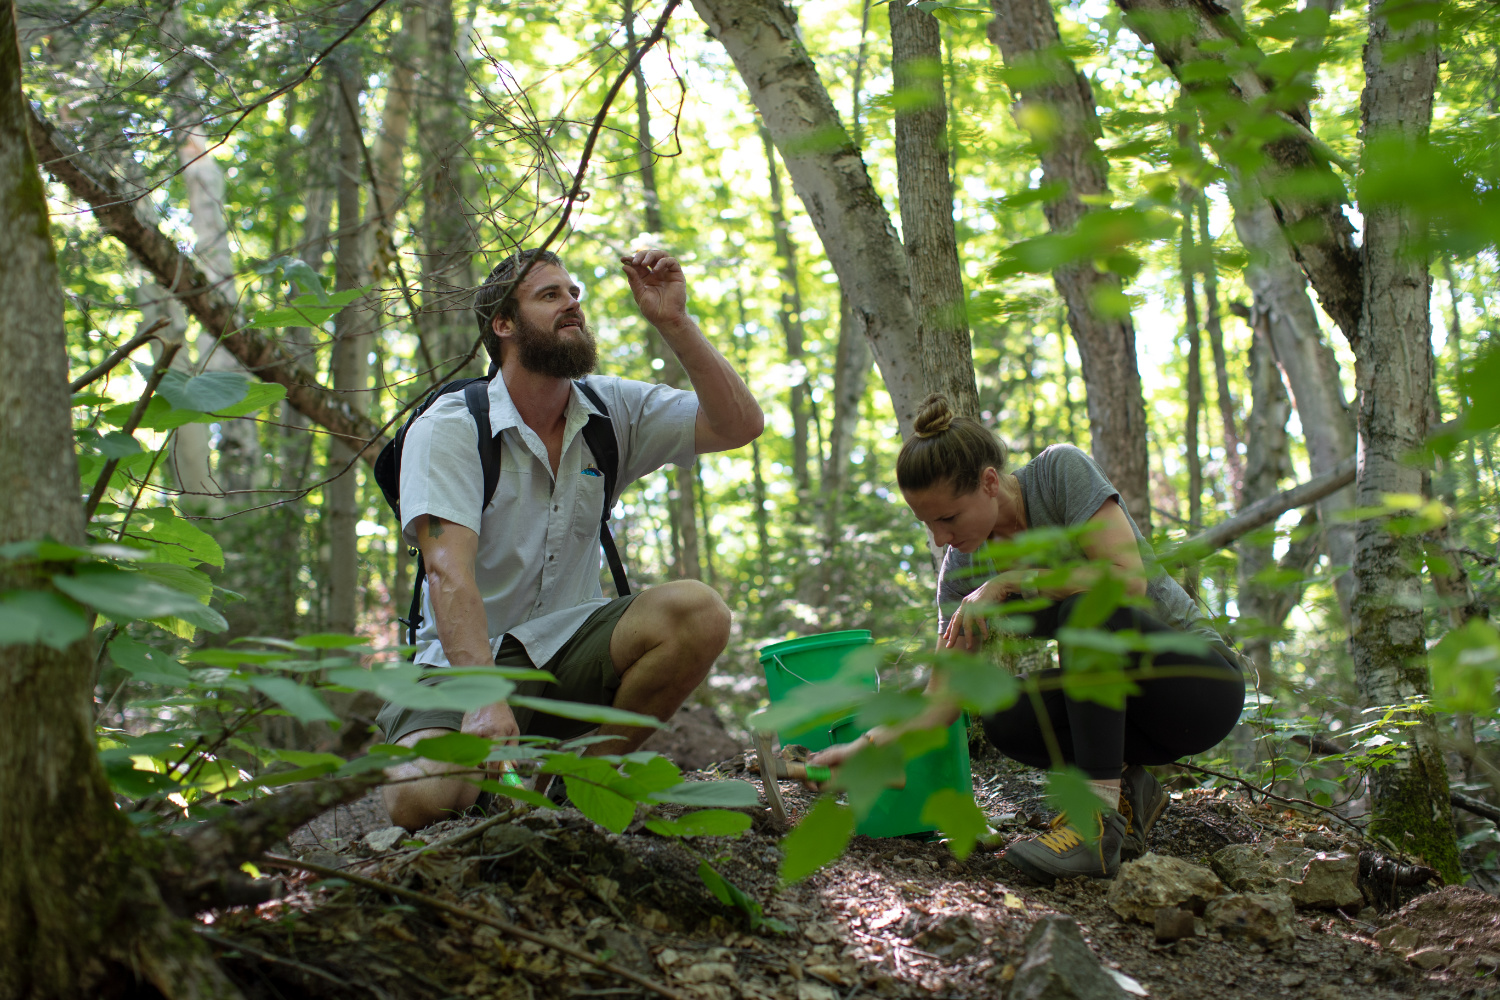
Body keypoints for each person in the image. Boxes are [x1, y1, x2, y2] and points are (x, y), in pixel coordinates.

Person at [377, 247, 763, 831]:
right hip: (459, 665)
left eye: (574, 293)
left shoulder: (612, 411)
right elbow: (446, 573)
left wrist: (674, 323)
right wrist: (484, 697)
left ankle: (583, 791)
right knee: (420, 799)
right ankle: (497, 789)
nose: (572, 306)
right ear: (503, 325)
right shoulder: (450, 426)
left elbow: (739, 425)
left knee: (697, 612)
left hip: (568, 652)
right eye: (550, 295)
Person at [808, 394, 1243, 882]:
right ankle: (1127, 786)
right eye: (927, 523)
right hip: (1136, 719)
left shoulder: (1059, 474)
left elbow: (1126, 580)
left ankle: (1094, 825)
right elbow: (942, 698)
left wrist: (1009, 582)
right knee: (1005, 718)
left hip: (1201, 688)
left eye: (948, 518)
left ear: (990, 482)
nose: (938, 539)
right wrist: (866, 746)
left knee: (1087, 609)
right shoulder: (961, 570)